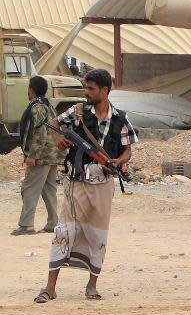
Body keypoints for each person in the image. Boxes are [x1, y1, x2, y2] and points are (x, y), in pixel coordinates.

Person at [34, 69, 137, 303]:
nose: (86, 93)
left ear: (104, 90)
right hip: (76, 181)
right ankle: (50, 287)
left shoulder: (121, 118)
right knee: (63, 231)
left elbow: (127, 149)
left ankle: (92, 285)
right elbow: (53, 123)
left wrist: (118, 162)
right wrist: (58, 139)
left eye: (91, 89)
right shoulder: (79, 111)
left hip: (102, 183)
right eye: (86, 88)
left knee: (97, 234)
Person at [10, 76, 65, 236]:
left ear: (32, 89)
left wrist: (33, 155)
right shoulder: (48, 105)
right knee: (49, 189)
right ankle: (53, 223)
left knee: (29, 188)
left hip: (42, 155)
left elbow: (39, 132)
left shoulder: (37, 107)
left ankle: (26, 225)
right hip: (53, 153)